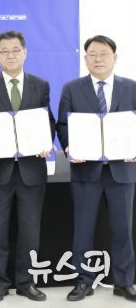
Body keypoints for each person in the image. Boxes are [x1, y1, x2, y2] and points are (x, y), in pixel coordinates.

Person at [0, 30, 54, 302]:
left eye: (15, 50)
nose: (10, 55)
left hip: (32, 170)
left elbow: (48, 121)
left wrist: (46, 141)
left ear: (25, 52)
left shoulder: (40, 85)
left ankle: (26, 282)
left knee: (30, 232)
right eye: (4, 51)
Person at [57, 34, 136, 302]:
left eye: (104, 54)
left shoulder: (131, 88)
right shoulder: (72, 89)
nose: (98, 59)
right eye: (93, 54)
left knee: (123, 230)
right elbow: (62, 125)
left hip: (121, 170)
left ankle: (124, 282)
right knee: (83, 229)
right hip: (85, 170)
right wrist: (69, 147)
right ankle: (83, 281)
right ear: (85, 58)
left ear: (115, 57)